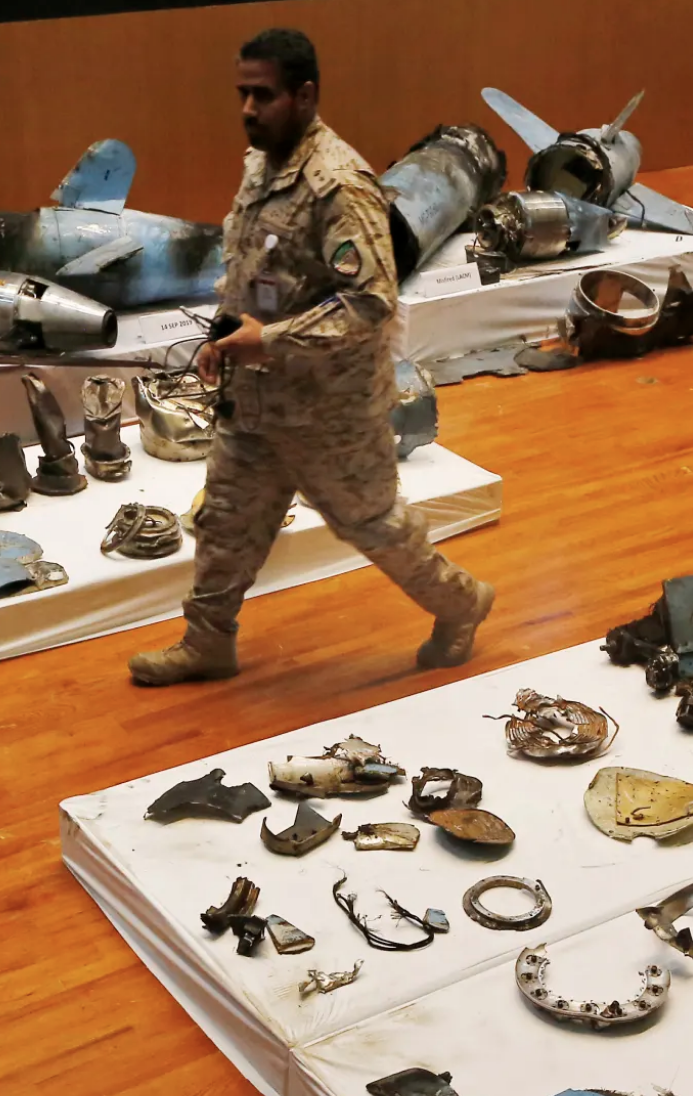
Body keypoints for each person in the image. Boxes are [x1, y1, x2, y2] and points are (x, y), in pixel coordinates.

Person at [129, 27, 493, 686]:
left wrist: (267, 340)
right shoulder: (261, 166)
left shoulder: (339, 186)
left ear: (304, 95)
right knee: (226, 521)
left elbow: (371, 302)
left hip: (331, 412)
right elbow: (254, 270)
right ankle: (207, 641)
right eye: (242, 94)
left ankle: (462, 604)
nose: (247, 109)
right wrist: (223, 335)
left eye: (262, 95)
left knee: (374, 526)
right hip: (258, 400)